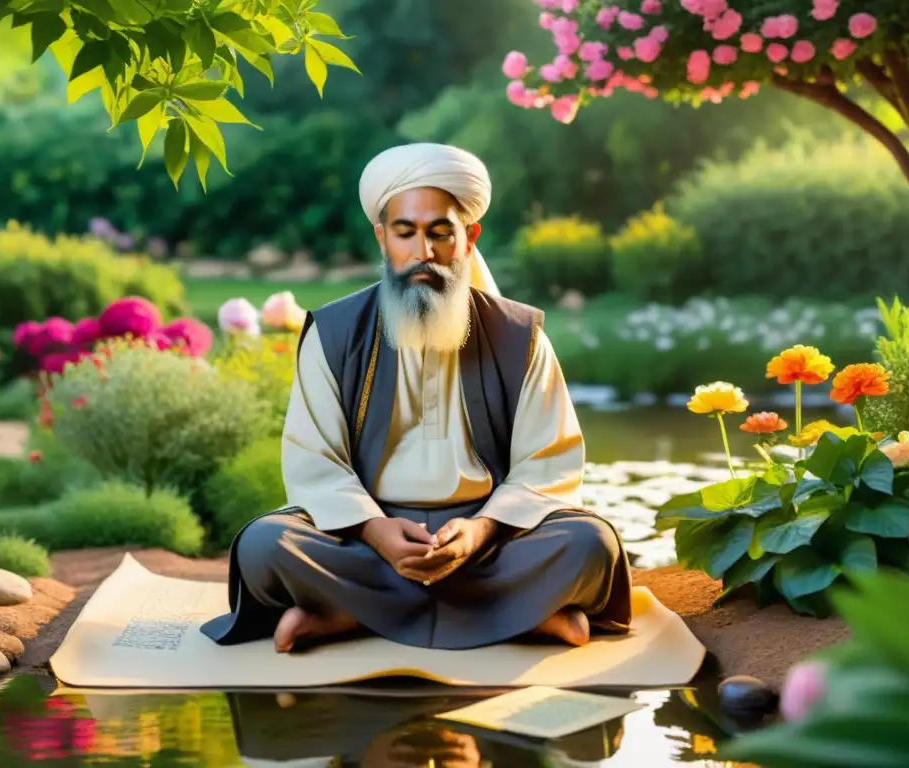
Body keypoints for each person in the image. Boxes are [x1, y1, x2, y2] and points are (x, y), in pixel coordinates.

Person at [200, 142, 632, 654]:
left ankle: (344, 614)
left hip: (491, 539)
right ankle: (522, 615)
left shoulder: (520, 337)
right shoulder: (334, 333)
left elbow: (548, 465)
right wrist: (377, 531)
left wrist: (480, 532)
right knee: (263, 546)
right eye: (405, 233)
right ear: (383, 238)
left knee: (591, 545)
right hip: (366, 536)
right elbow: (316, 464)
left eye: (439, 233)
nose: (422, 252)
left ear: (468, 237)